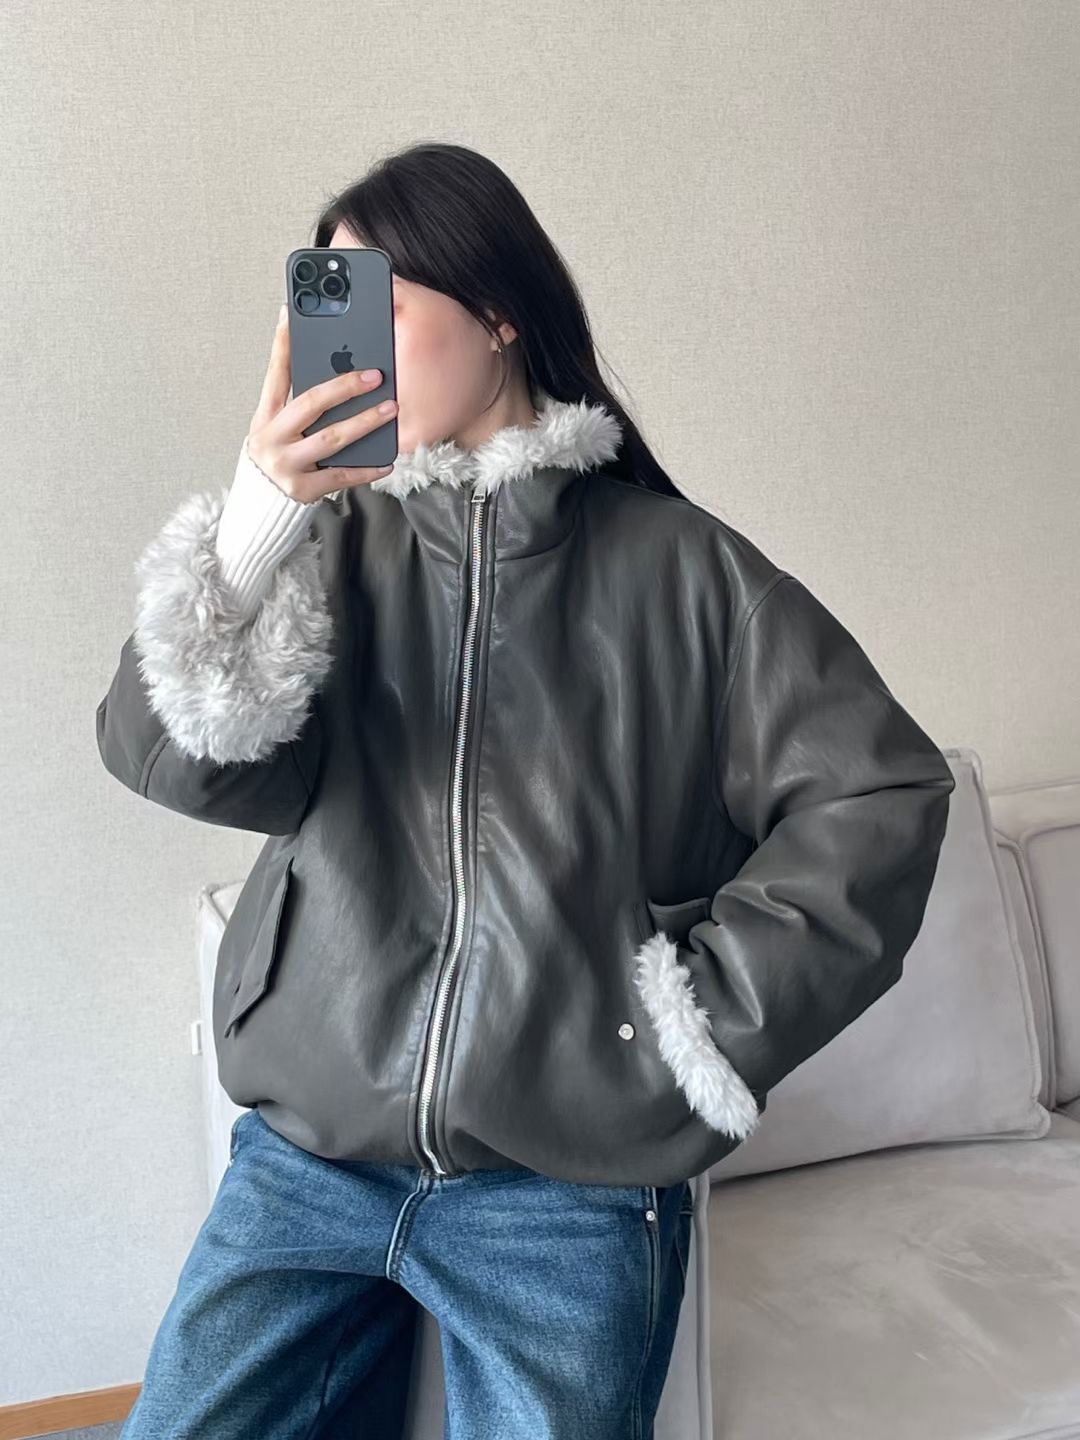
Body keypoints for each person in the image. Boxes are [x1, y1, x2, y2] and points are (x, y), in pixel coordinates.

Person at [97, 142, 955, 1439]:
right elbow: (166, 757)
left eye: (380, 298)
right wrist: (259, 521)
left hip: (567, 1182)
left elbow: (879, 794)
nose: (349, 346)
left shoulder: (683, 573)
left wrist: (695, 1026)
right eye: (328, 301)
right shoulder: (331, 551)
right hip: (313, 1150)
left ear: (498, 312)